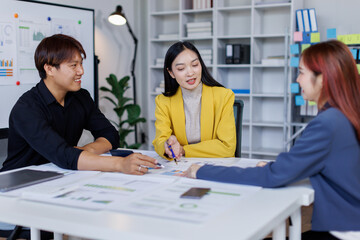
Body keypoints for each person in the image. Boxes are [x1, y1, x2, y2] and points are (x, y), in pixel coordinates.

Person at [183, 40, 360, 240]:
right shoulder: (344, 113)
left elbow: (272, 177)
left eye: (302, 72)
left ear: (322, 79)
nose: (298, 80)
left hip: (343, 231)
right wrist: (277, 167)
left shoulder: (328, 123)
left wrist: (203, 170)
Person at [1, 34, 158, 174]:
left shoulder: (80, 97)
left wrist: (86, 150)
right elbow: (63, 155)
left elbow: (110, 135)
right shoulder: (27, 108)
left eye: (81, 64)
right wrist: (120, 164)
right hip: (18, 181)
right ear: (49, 69)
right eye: (73, 65)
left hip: (60, 174)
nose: (81, 71)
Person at [152, 41, 236, 160]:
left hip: (215, 164)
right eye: (181, 68)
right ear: (171, 73)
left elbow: (227, 146)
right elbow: (160, 140)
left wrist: (183, 149)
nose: (190, 73)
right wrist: (167, 145)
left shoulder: (223, 96)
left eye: (195, 65)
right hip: (181, 165)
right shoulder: (163, 101)